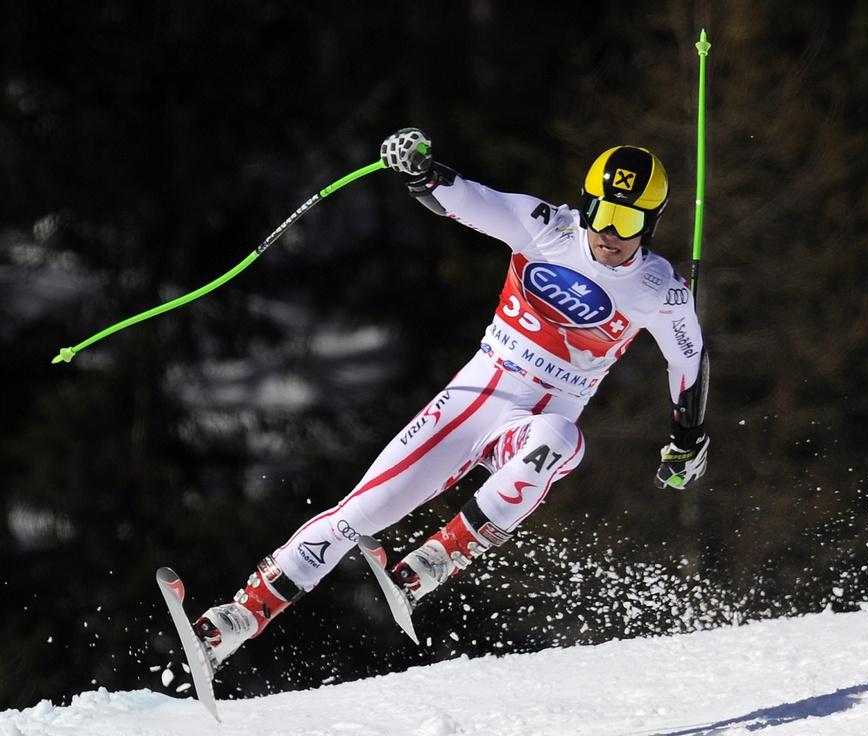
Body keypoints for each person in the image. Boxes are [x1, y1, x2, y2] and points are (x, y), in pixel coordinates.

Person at [191, 128, 711, 668]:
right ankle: (239, 617)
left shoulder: (660, 291)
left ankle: (439, 557)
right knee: (360, 515)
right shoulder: (545, 228)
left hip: (535, 426)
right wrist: (421, 171)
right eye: (602, 213)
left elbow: (689, 360)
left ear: (649, 224)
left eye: (627, 221)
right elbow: (467, 198)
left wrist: (687, 439)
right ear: (586, 203)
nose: (610, 232)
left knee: (560, 439)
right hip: (475, 398)